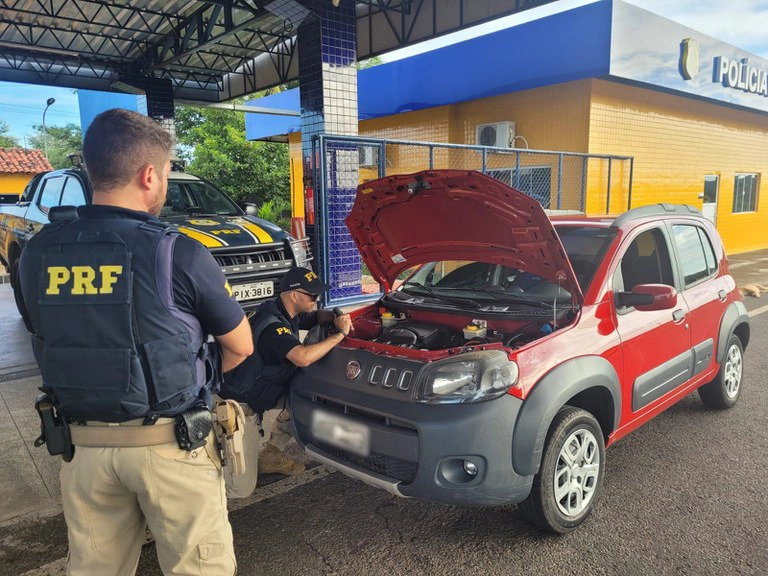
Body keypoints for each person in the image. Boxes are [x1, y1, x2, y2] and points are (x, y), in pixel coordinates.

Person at [18, 108, 253, 576]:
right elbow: (241, 345)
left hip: (81, 449)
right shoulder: (178, 249)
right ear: (149, 174)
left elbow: (42, 333)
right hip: (171, 446)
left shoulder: (38, 252)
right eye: (166, 173)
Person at [219, 266, 351, 494]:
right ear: (294, 295)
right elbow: (302, 358)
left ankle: (271, 454)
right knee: (240, 488)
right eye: (312, 296)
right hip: (241, 405)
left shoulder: (281, 309)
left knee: (301, 394)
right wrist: (340, 334)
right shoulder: (273, 326)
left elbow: (314, 317)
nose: (317, 300)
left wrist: (334, 316)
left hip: (262, 388)